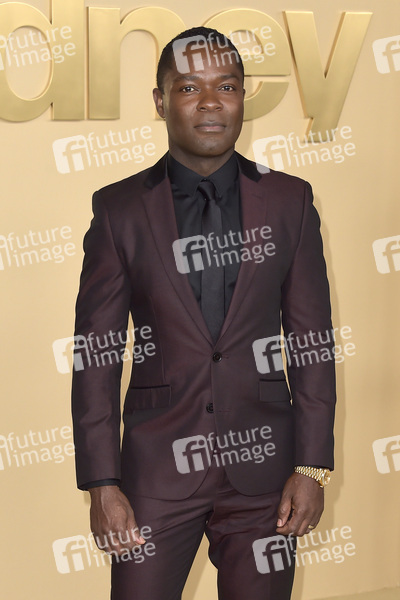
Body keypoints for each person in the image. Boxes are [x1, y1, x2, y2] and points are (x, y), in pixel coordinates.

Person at [72, 26, 336, 600]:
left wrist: (312, 467)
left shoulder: (290, 200)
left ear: (243, 97)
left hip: (266, 477)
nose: (211, 102)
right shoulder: (119, 210)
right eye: (190, 87)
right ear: (160, 101)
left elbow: (312, 342)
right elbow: (96, 355)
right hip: (154, 476)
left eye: (227, 86)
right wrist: (102, 483)